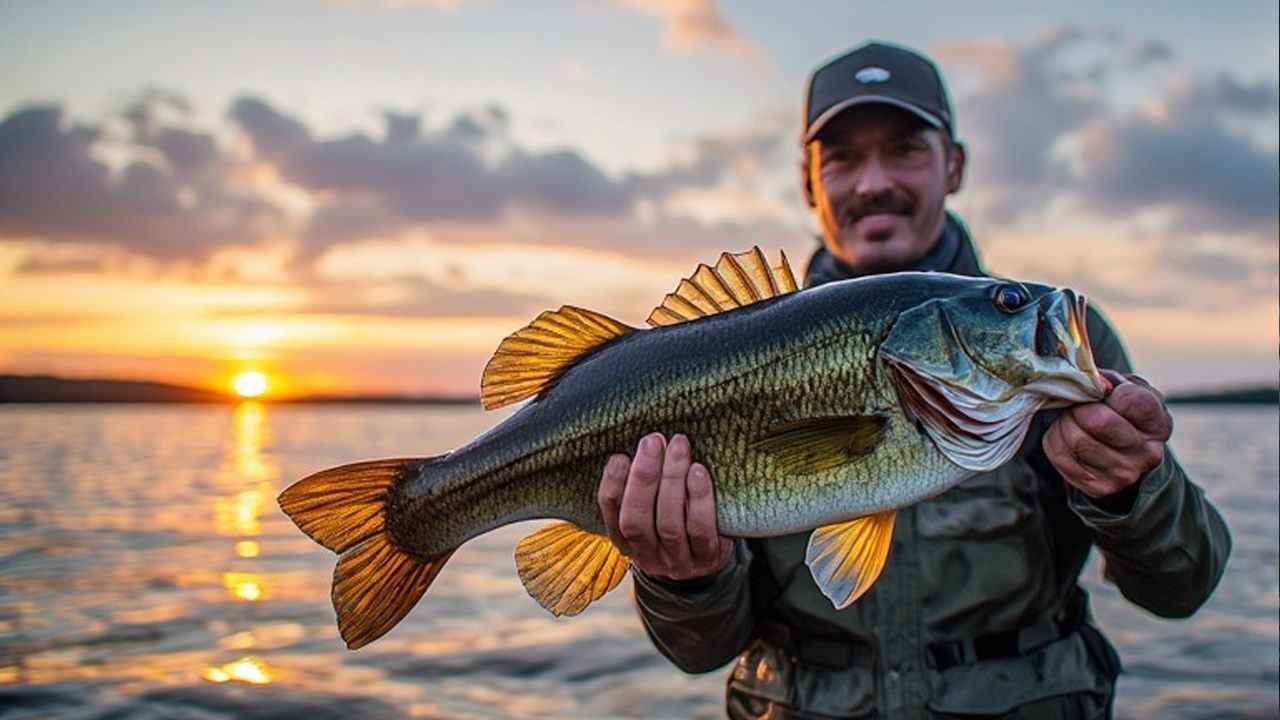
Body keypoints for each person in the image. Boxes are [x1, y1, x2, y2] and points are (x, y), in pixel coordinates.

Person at [595, 41, 1232, 719]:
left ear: (952, 166)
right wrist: (682, 579)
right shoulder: (733, 345)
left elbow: (1183, 587)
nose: (873, 183)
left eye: (904, 148)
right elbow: (700, 652)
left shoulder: (1059, 346)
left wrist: (1136, 489)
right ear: (809, 182)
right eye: (841, 157)